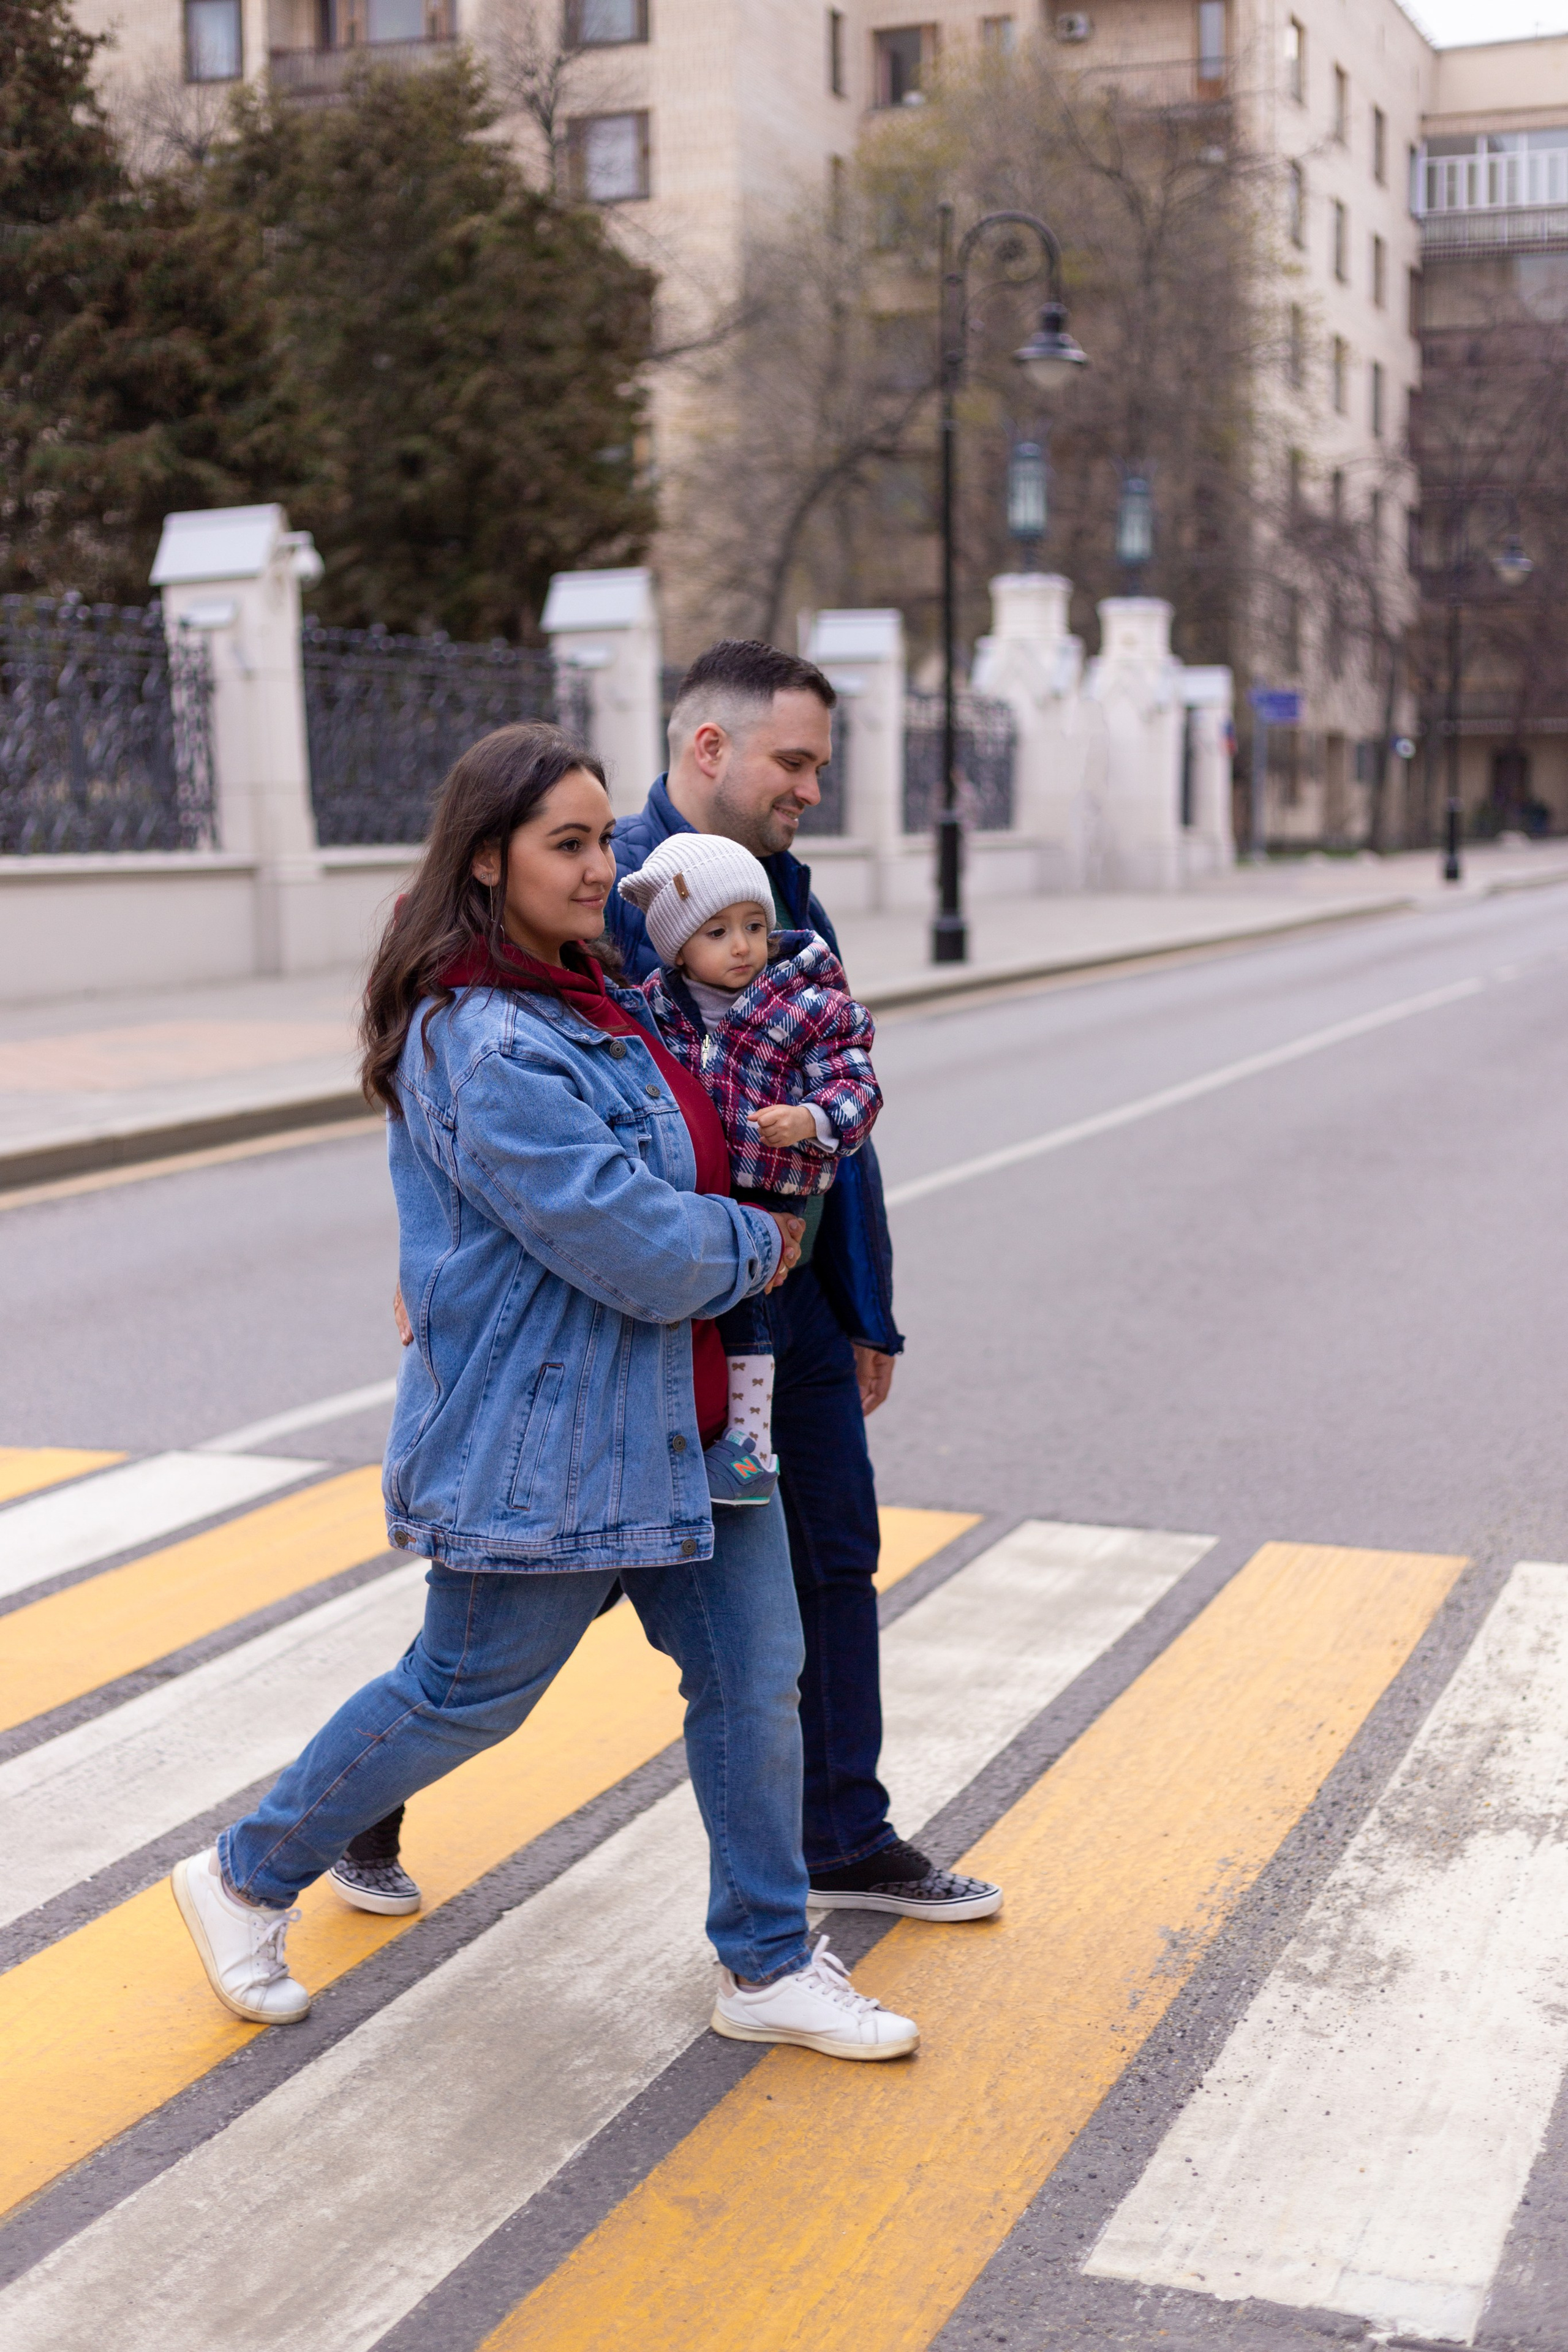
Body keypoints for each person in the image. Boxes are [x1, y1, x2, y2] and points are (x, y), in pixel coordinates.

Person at [170, 722, 918, 2062]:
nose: (597, 866)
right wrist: (762, 1242)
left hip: (688, 1422)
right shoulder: (492, 1039)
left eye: (598, 840)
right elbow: (628, 1241)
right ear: (485, 861)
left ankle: (761, 1962)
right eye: (566, 845)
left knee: (755, 1679)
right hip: (551, 1436)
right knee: (463, 1693)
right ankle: (240, 1874)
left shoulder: (597, 993)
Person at [607, 639, 1002, 1926]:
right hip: (660, 1306)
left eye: (819, 766)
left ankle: (841, 1831)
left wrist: (862, 1303)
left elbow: (842, 1113)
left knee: (833, 1559)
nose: (810, 788)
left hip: (801, 1304)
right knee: (546, 1576)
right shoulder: (604, 883)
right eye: (793, 761)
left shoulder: (789, 903)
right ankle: (370, 1791)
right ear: (709, 748)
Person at [617, 830, 881, 1511]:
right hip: (699, 1187)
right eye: (717, 931)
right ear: (678, 950)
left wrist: (812, 1120)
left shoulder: (806, 1002)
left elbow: (858, 1088)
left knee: (745, 1306)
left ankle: (751, 1447)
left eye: (755, 926)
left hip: (774, 1185)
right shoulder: (658, 1005)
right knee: (703, 1306)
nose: (742, 945)